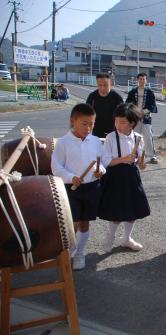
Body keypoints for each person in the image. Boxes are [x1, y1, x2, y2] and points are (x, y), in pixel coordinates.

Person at [51, 103, 106, 270]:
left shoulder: (96, 141)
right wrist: (70, 177)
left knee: (85, 222)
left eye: (92, 124)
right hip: (71, 189)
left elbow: (102, 163)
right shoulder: (63, 142)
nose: (88, 128)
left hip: (91, 187)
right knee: (72, 222)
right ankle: (69, 250)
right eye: (84, 123)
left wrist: (100, 171)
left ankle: (80, 252)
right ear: (73, 121)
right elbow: (56, 167)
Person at [99, 103, 150, 252]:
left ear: (132, 123)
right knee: (116, 210)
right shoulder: (110, 137)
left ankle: (127, 238)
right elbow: (106, 161)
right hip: (115, 177)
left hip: (132, 176)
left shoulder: (138, 138)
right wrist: (123, 159)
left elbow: (140, 161)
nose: (117, 125)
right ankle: (111, 236)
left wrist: (142, 164)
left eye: (122, 122)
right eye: (116, 121)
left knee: (132, 209)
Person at [126, 73, 159, 164]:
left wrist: (143, 112)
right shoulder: (132, 92)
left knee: (148, 136)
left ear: (146, 80)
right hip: (135, 118)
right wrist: (136, 112)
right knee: (135, 137)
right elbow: (128, 104)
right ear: (137, 80)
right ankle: (135, 155)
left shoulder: (150, 92)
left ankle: (152, 156)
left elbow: (152, 105)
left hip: (146, 118)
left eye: (144, 79)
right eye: (140, 79)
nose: (142, 81)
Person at [86, 72, 124, 138]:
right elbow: (87, 113)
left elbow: (123, 115)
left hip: (113, 130)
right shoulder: (92, 96)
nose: (102, 88)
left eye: (105, 85)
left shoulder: (117, 97)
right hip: (97, 130)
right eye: (100, 85)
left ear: (110, 84)